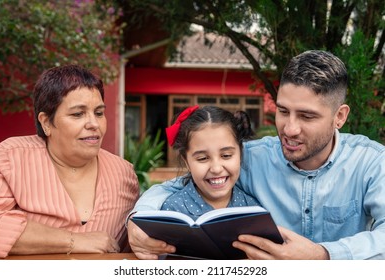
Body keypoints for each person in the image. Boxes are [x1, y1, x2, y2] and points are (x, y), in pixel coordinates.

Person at [127, 50, 385, 260]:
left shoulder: (370, 162)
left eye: (307, 116)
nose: (290, 128)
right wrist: (137, 220)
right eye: (283, 111)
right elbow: (175, 187)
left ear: (339, 116)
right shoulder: (250, 157)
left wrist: (324, 254)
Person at [0, 65, 139, 258]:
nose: (94, 124)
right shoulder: (10, 159)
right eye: (77, 114)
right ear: (46, 122)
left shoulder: (124, 174)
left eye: (98, 113)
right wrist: (75, 240)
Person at [161, 105, 258, 220]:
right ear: (186, 161)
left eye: (226, 155)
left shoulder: (253, 210)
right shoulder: (172, 210)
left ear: (240, 154)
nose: (216, 169)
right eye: (202, 158)